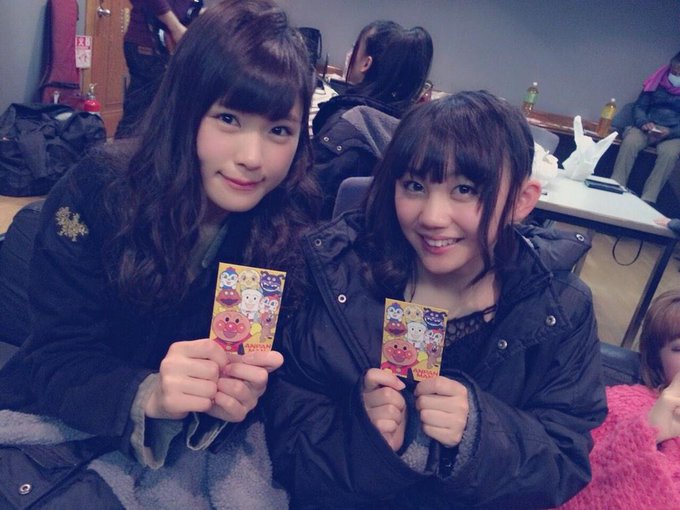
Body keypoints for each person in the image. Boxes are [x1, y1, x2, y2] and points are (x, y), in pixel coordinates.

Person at [0, 0, 317, 506]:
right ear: (186, 110)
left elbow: (265, 373)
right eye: (228, 118)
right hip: (70, 417)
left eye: (279, 130)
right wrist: (147, 393)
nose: (253, 158)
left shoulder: (285, 223)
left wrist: (239, 397)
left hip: (186, 448)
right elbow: (53, 358)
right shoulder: (100, 190)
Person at [265, 91, 607, 508]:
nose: (432, 217)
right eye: (414, 186)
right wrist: (361, 436)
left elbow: (563, 460)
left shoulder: (560, 309)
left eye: (465, 189)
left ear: (521, 201)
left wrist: (480, 433)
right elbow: (288, 431)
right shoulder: (342, 276)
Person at [559, 290, 680, 510]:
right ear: (657, 359)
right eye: (679, 349)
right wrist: (647, 433)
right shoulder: (620, 405)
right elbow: (574, 493)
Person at [312, 20, 433, 218]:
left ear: (366, 63)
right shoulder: (417, 133)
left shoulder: (344, 127)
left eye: (355, 48)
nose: (350, 54)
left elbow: (305, 200)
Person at [114, 0, 202, 139]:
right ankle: (124, 150)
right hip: (151, 43)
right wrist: (176, 28)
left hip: (158, 44)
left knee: (150, 110)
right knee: (141, 114)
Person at [611, 51, 680, 205]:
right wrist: (644, 122)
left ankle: (648, 199)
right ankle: (615, 185)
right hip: (648, 126)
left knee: (670, 154)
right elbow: (639, 106)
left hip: (673, 133)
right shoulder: (657, 80)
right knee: (630, 142)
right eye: (674, 71)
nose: (676, 75)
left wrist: (670, 132)